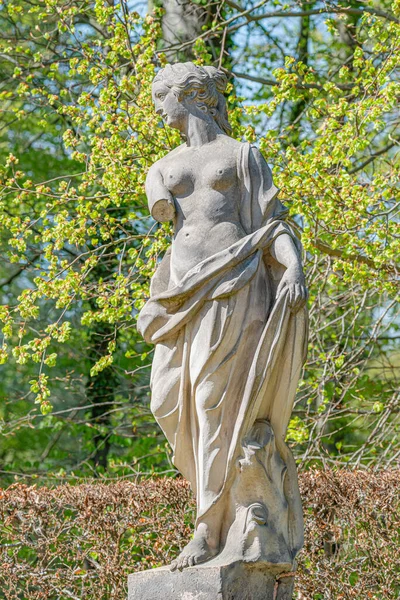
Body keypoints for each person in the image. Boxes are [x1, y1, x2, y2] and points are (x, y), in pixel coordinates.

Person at [138, 62, 308, 571]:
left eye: (160, 98)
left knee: (214, 402)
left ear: (192, 95)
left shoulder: (242, 155)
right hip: (180, 298)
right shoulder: (162, 168)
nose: (157, 109)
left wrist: (294, 265)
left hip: (235, 287)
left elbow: (270, 225)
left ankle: (208, 529)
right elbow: (169, 222)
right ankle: (213, 514)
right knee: (170, 402)